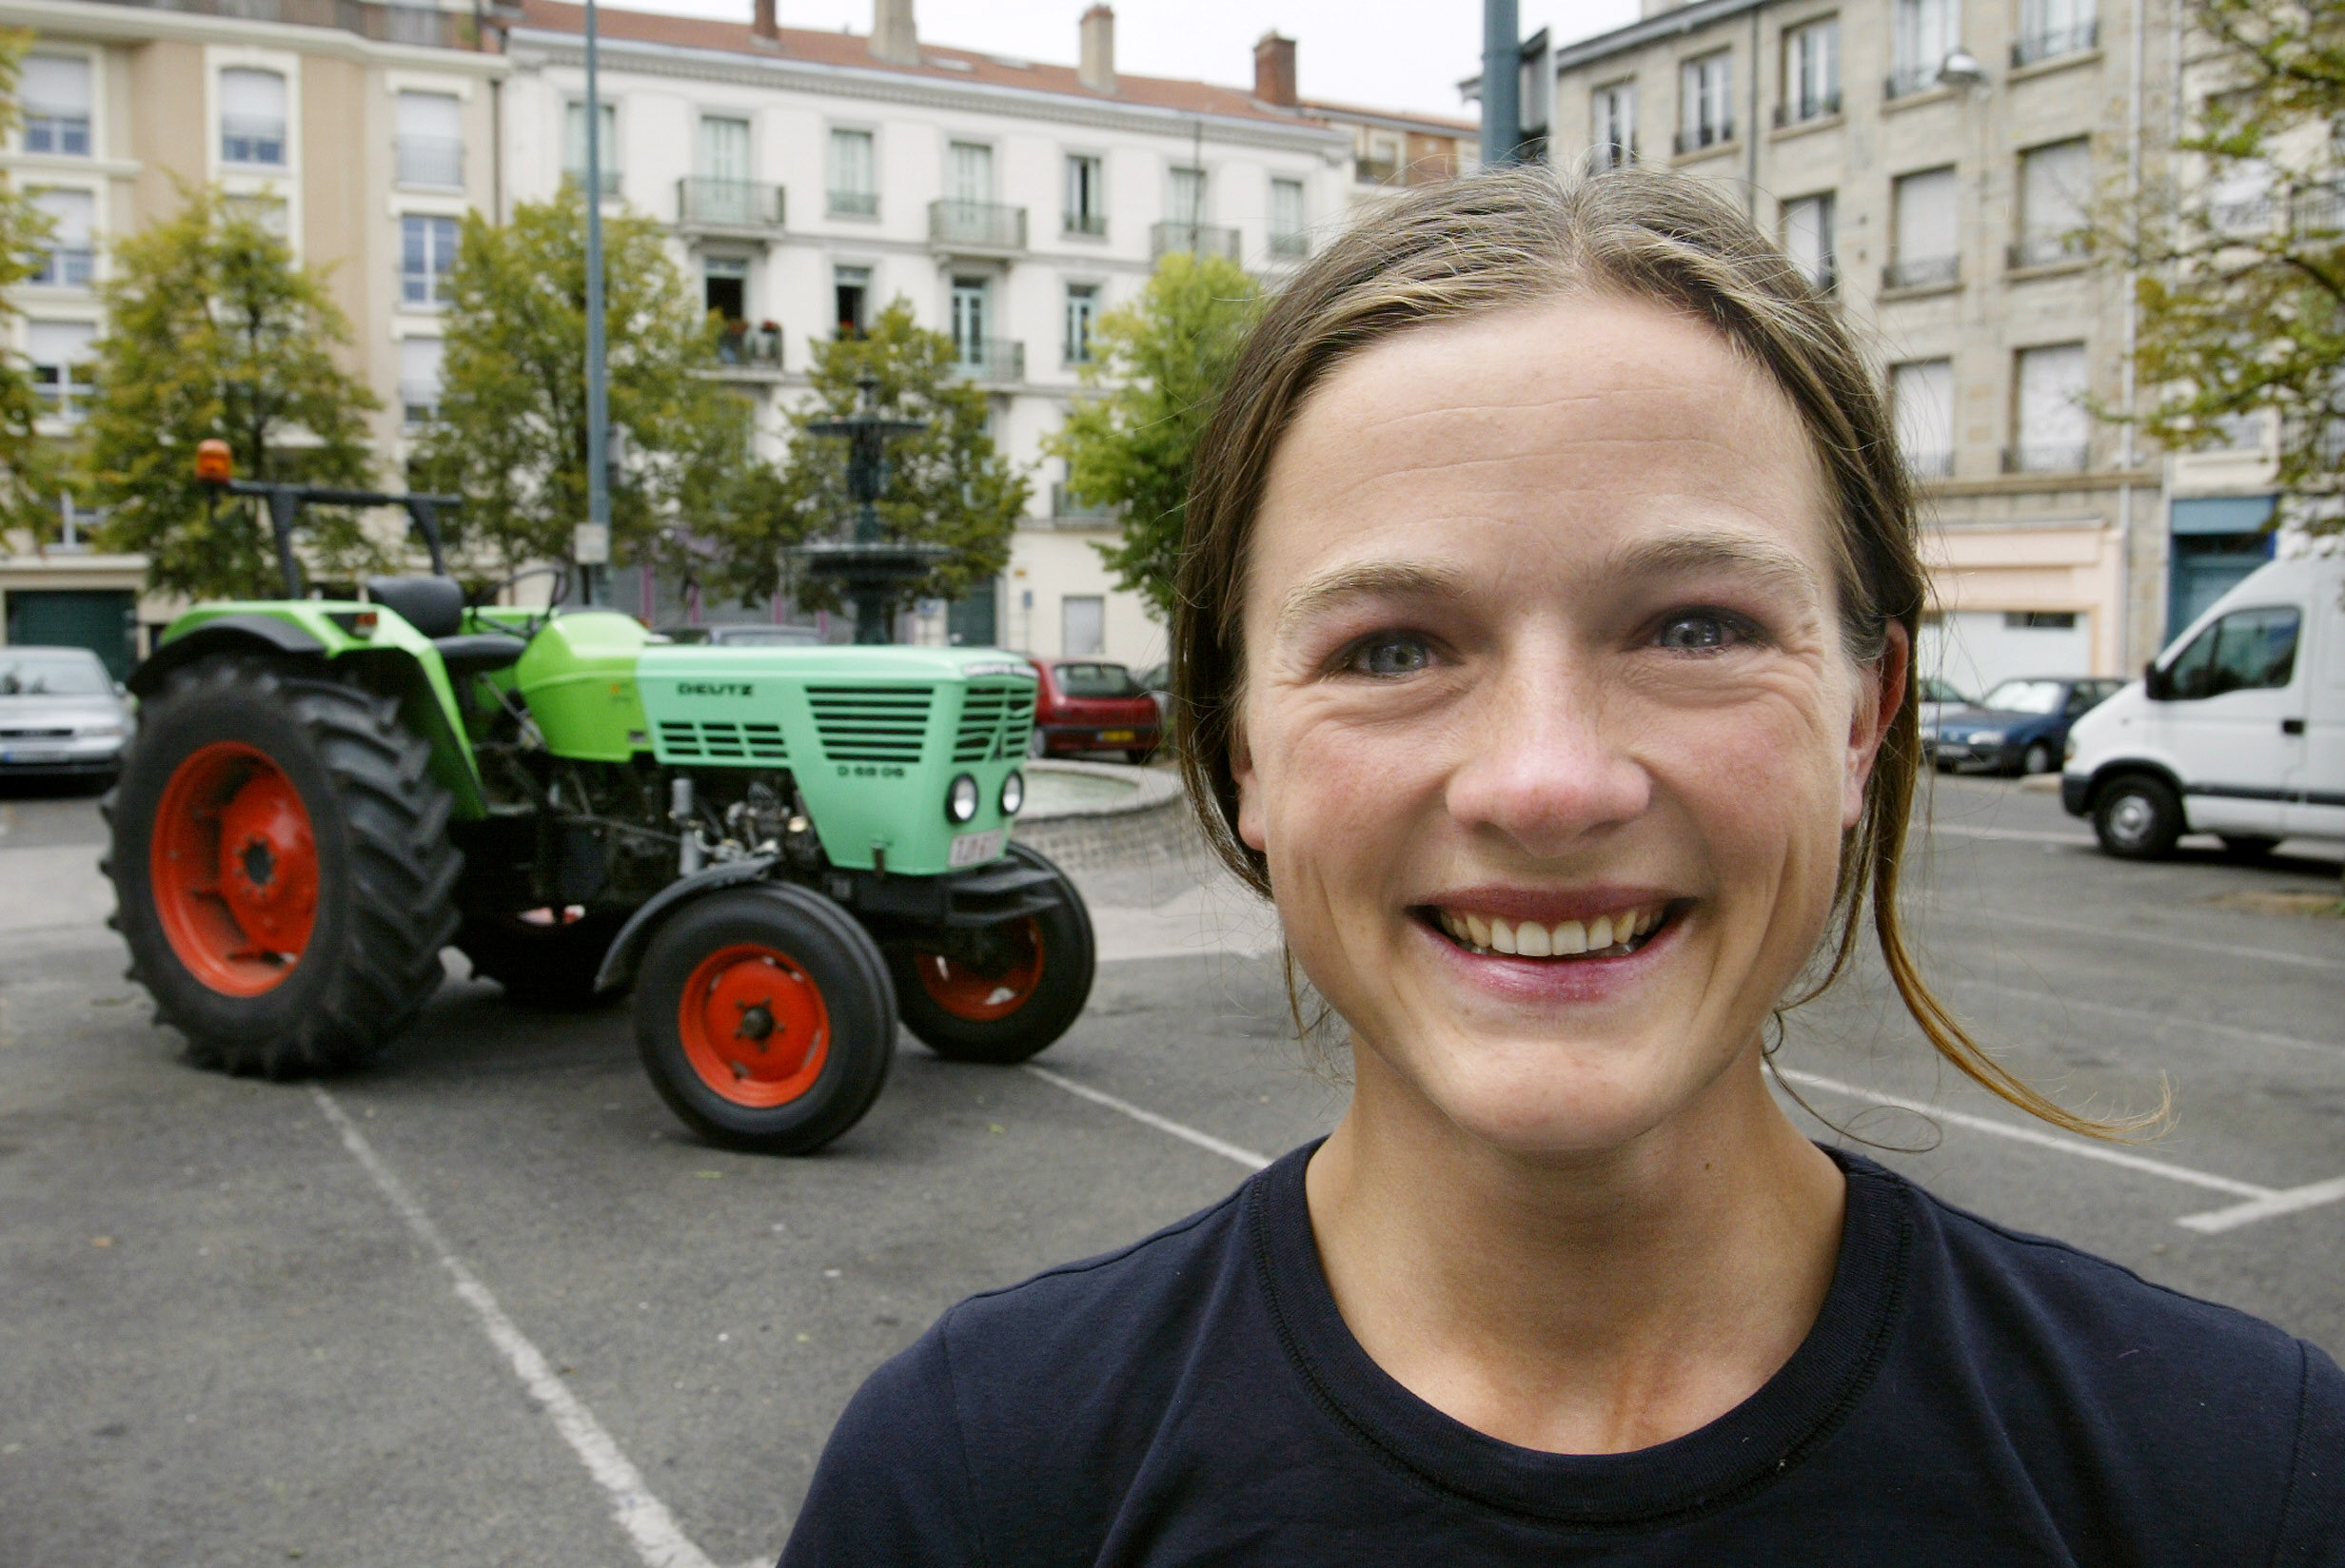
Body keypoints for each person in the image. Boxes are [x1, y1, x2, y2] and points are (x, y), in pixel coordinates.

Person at [779, 168, 2342, 1564]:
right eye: (1392, 646)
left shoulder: (2237, 1481)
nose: (1545, 782)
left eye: (1694, 628)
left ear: (1865, 718)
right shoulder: (973, 1487)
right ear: (1242, 745)